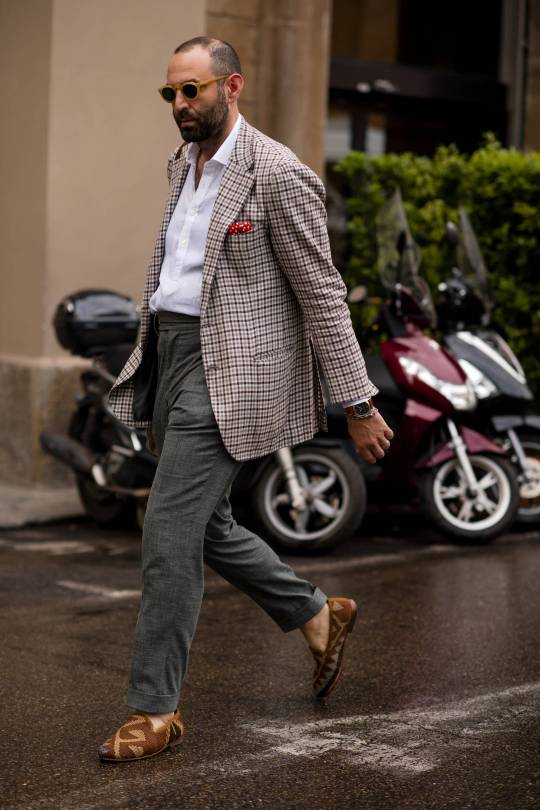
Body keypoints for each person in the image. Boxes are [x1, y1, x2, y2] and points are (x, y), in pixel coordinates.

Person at [99, 37, 393, 763]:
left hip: (230, 371)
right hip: (172, 354)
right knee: (206, 525)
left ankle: (154, 710)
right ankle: (315, 613)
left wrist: (358, 404)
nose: (179, 104)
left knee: (168, 532)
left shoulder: (278, 174)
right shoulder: (183, 162)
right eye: (170, 92)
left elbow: (322, 294)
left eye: (192, 90)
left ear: (232, 87)